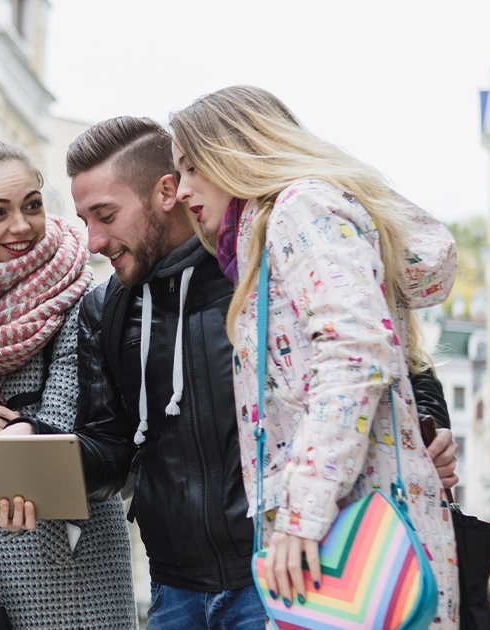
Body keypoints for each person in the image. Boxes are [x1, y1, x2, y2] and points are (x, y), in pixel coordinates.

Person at [16, 115, 460, 629]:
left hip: (282, 570)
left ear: (167, 193)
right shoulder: (106, 309)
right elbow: (111, 450)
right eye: (85, 219)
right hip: (173, 592)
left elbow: (381, 352)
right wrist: (31, 451)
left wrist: (427, 423)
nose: (93, 240)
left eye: (106, 215)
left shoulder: (261, 264)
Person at [170, 85, 460, 626]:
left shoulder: (299, 209)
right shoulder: (270, 233)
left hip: (356, 541)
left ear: (237, 152)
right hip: (350, 532)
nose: (181, 190)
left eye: (192, 167)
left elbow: (356, 352)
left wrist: (300, 514)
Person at [0, 140, 137, 629]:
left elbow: (63, 428)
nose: (21, 226)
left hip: (71, 575)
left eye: (32, 205)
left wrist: (1, 438)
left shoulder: (79, 295)